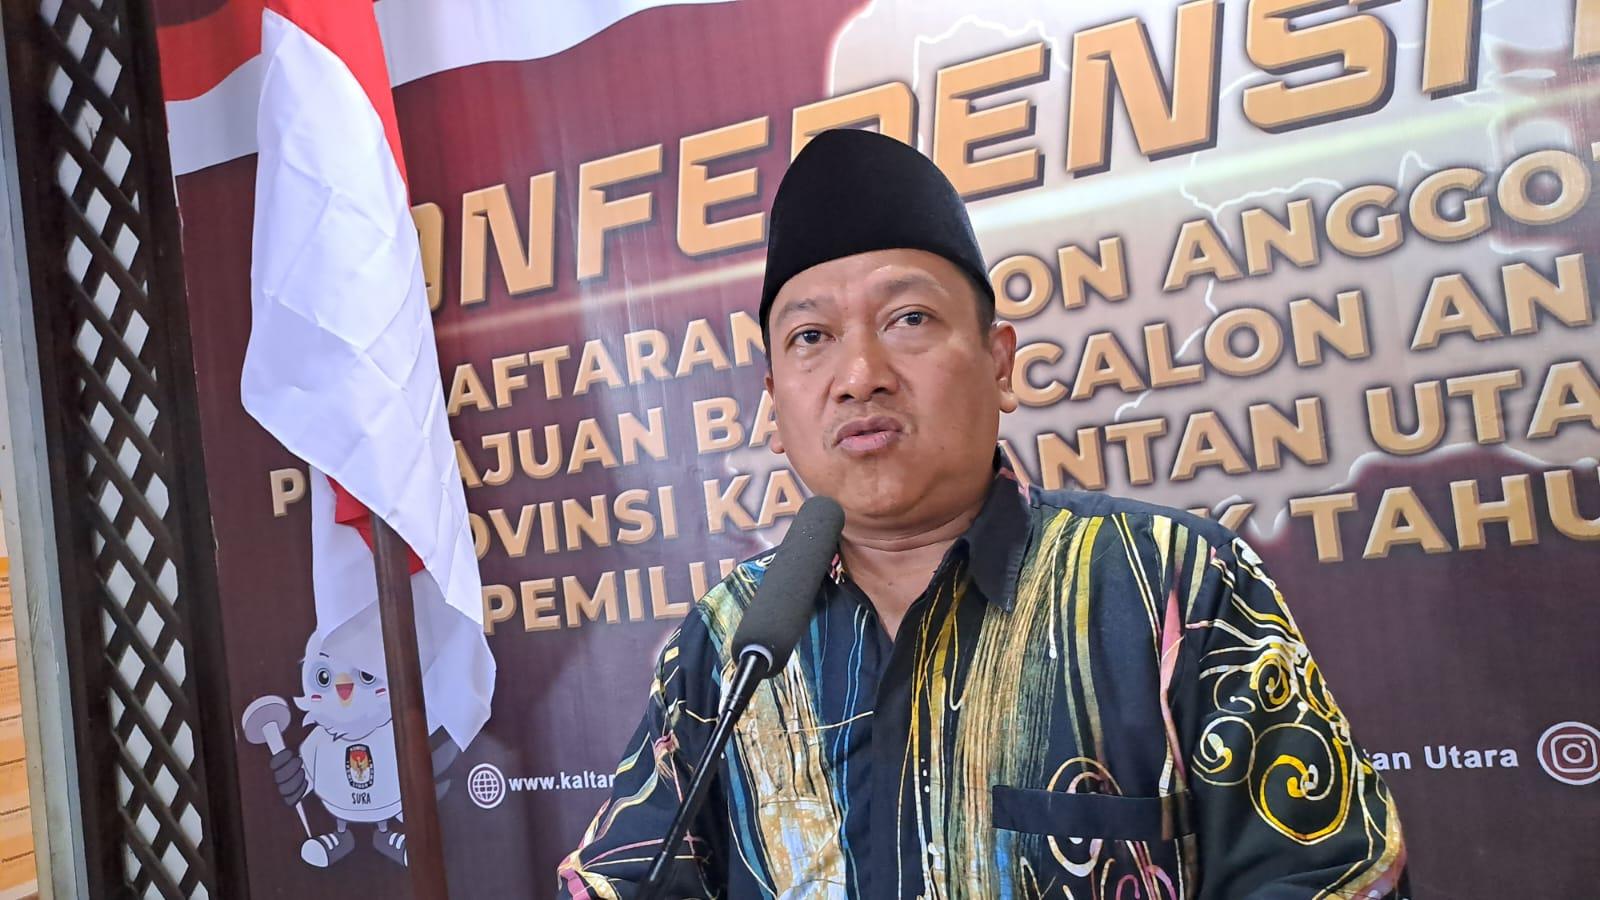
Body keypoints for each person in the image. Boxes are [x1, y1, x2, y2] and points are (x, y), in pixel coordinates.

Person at [557, 129, 1407, 899]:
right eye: (811, 337)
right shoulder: (730, 639)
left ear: (1000, 364)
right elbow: (622, 877)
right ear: (774, 403)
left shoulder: (1173, 584)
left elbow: (1331, 879)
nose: (859, 375)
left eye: (909, 319)